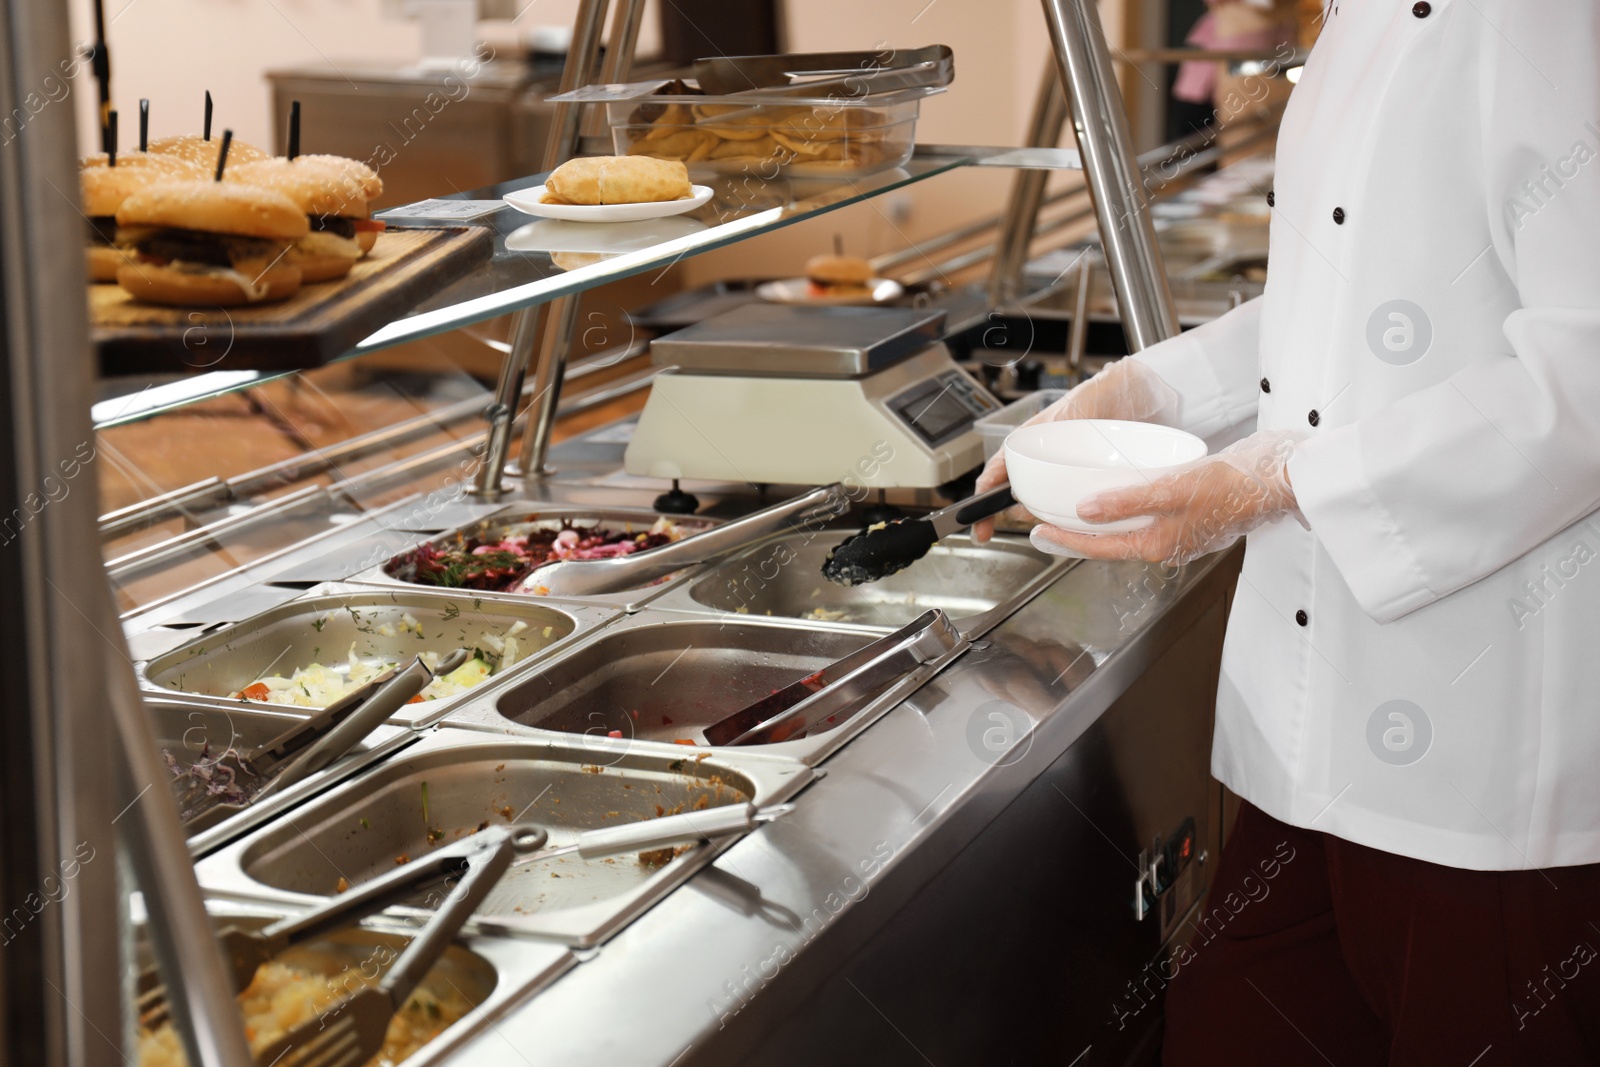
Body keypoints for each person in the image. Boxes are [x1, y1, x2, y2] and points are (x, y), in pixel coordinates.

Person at [976, 2, 1600, 1063]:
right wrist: (1148, 391)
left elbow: (1582, 369)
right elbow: (1340, 297)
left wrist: (1281, 481)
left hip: (1473, 766)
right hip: (1303, 750)